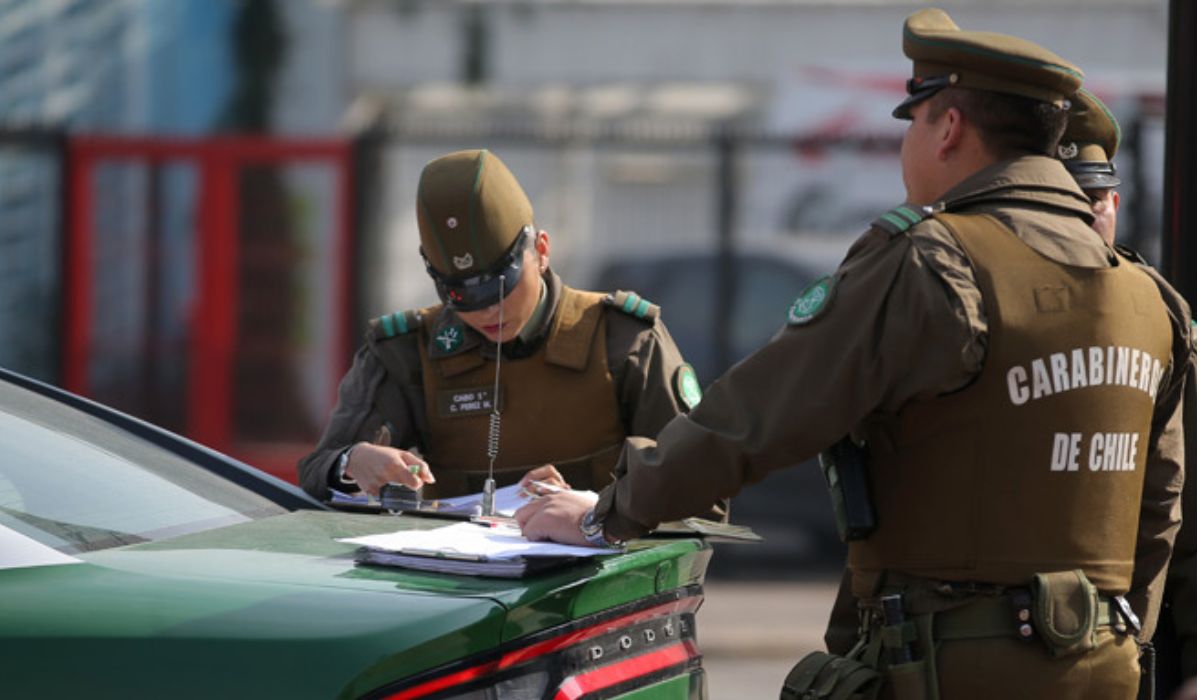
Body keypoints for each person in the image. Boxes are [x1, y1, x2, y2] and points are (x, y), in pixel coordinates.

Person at [517, 8, 1192, 699]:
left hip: (948, 671)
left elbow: (757, 416)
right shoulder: (1153, 301)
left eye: (914, 122)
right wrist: (1110, 640)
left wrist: (609, 511)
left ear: (949, 128)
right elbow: (1163, 506)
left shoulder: (932, 264)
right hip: (1105, 672)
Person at [297, 149, 711, 506]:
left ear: (542, 251)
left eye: (502, 287)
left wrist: (597, 510)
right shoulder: (405, 352)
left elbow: (700, 487)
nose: (487, 312)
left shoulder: (624, 340)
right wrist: (352, 463)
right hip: (456, 583)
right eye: (461, 297)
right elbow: (316, 473)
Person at [1059, 88, 1198, 697]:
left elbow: (1170, 491)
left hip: (1141, 610)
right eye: (1069, 201)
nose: (1088, 217)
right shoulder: (1019, 307)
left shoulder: (1158, 308)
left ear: (1115, 201)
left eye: (1096, 200)